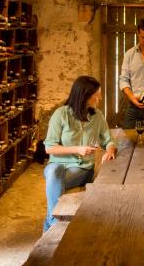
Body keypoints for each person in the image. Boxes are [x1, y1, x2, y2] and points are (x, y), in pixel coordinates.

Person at [42, 75, 116, 232]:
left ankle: (52, 224)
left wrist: (110, 150)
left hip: (81, 169)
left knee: (54, 184)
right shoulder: (60, 114)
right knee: (55, 172)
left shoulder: (98, 116)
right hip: (56, 165)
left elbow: (108, 140)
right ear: (84, 96)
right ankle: (55, 222)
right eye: (96, 95)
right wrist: (78, 149)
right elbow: (49, 148)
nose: (100, 98)